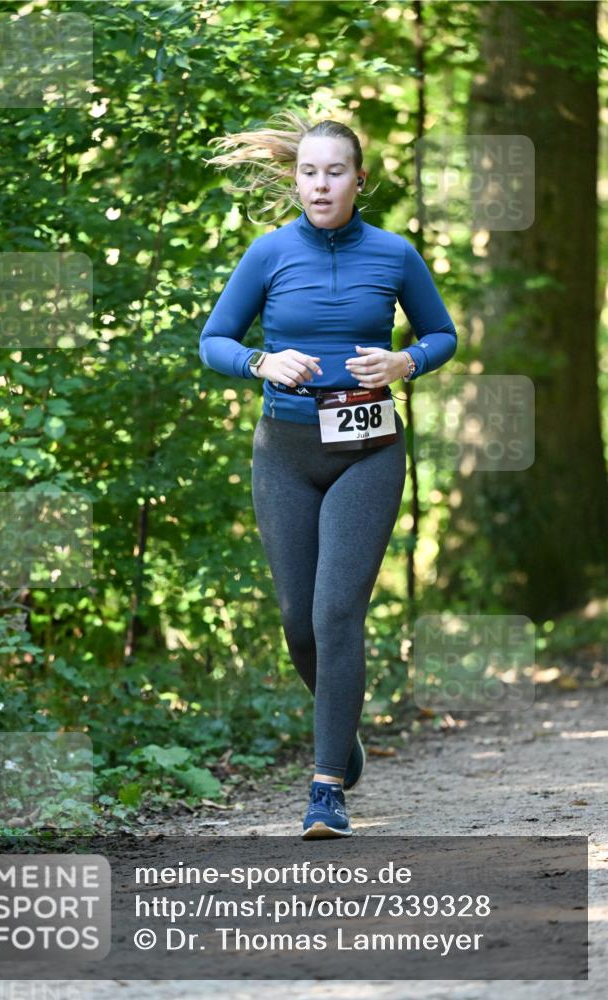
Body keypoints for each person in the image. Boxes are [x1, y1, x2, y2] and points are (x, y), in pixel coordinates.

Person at [199, 111, 457, 839]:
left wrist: (408, 360)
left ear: (358, 179)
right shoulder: (268, 253)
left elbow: (443, 333)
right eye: (308, 171)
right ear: (294, 179)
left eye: (334, 171)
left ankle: (324, 790)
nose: (320, 184)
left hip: (369, 451)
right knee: (296, 619)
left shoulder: (394, 254)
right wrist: (260, 361)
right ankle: (339, 736)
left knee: (335, 612)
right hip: (284, 450)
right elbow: (213, 340)